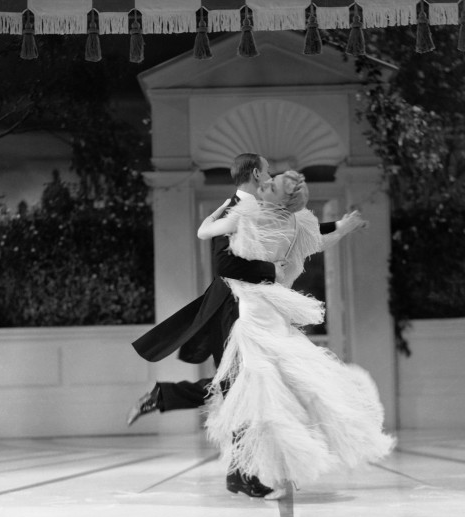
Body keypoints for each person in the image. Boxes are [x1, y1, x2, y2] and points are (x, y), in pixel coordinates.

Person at [129, 153, 364, 497]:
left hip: (260, 310)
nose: (270, 177)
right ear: (256, 174)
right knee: (245, 389)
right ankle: (241, 470)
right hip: (234, 310)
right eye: (269, 173)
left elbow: (302, 230)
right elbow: (224, 262)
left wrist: (341, 227)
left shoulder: (265, 209)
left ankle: (237, 468)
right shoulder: (238, 210)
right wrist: (273, 272)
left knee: (248, 388)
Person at [196, 170, 395, 500]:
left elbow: (212, 243)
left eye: (270, 185)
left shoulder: (251, 214)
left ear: (276, 198)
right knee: (272, 391)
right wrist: (343, 227)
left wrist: (215, 216)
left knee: (260, 395)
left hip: (257, 315)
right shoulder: (295, 224)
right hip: (270, 313)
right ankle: (252, 469)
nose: (263, 185)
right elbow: (318, 238)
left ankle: (259, 467)